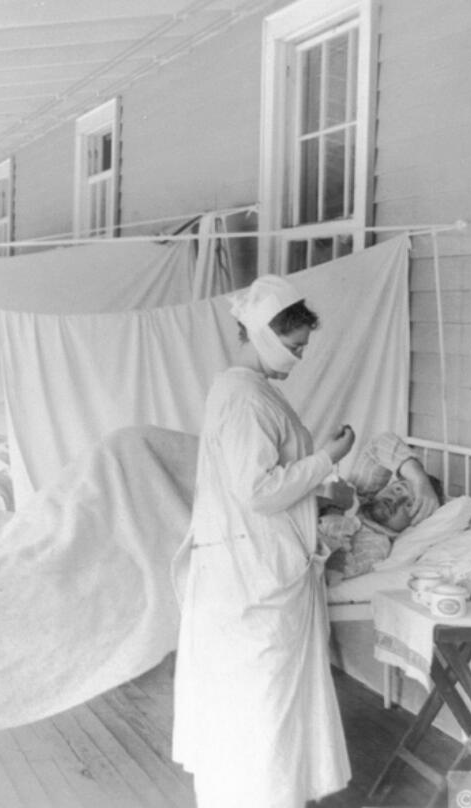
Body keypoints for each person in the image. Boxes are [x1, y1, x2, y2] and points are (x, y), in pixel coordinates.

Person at [171, 275, 355, 807]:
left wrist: (317, 497)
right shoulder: (244, 396)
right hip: (250, 576)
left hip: (249, 563)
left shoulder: (247, 391)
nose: (299, 359)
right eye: (295, 348)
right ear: (268, 337)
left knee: (258, 705)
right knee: (260, 704)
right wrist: (327, 458)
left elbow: (253, 486)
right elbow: (257, 490)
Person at [321, 432, 444, 582]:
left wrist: (333, 515)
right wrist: (419, 480)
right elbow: (379, 443)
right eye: (398, 489)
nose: (395, 500)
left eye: (409, 504)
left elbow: (330, 572)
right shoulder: (361, 492)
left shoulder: (375, 545)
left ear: (417, 521)